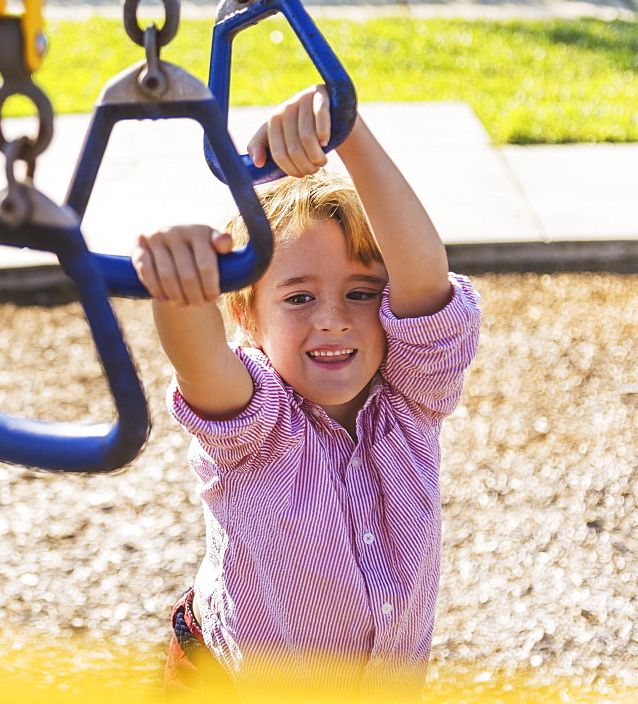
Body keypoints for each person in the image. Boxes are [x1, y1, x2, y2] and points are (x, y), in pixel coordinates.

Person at [133, 86, 481, 702]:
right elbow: (198, 361)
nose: (332, 319)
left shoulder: (412, 396)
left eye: (361, 291)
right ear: (247, 318)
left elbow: (426, 285)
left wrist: (349, 130)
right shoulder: (257, 421)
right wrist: (179, 287)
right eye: (298, 297)